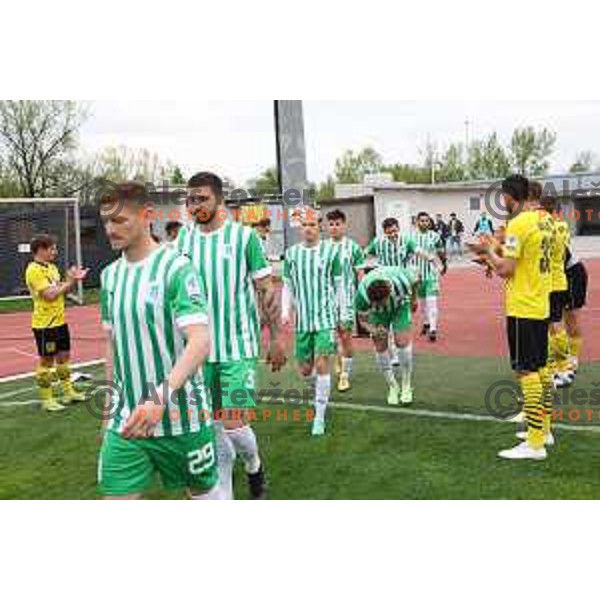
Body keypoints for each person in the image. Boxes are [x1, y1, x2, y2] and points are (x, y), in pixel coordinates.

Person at [97, 182, 220, 500]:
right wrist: (110, 409)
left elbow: (200, 341)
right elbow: (112, 344)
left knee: (204, 498)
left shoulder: (177, 268)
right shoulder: (109, 276)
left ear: (147, 215)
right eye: (106, 221)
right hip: (126, 422)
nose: (110, 229)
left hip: (183, 419)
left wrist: (160, 397)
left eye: (119, 220)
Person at [177, 172, 286, 500]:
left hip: (238, 347)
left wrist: (276, 338)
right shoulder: (183, 241)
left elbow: (266, 289)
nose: (195, 205)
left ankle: (254, 464)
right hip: (198, 351)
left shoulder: (244, 238)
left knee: (235, 424)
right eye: (191, 199)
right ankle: (224, 493)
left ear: (219, 200)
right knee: (210, 427)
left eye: (202, 198)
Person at [468, 174, 553, 461]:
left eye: (502, 197)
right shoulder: (544, 220)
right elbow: (525, 258)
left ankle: (535, 442)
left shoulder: (518, 223)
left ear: (508, 196)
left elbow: (507, 269)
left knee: (527, 371)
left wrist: (488, 250)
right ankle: (543, 429)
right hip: (540, 301)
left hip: (523, 305)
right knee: (540, 369)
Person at [282, 209, 344, 436]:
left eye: (311, 224)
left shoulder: (330, 251)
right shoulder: (291, 254)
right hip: (303, 321)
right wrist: (285, 312)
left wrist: (339, 312)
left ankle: (318, 417)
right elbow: (287, 285)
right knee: (306, 370)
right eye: (304, 225)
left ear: (319, 227)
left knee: (321, 364)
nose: (307, 228)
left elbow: (338, 285)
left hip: (325, 319)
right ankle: (321, 395)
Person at [25, 234, 89, 412]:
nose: (55, 251)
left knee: (64, 358)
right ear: (41, 250)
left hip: (60, 322)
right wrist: (70, 281)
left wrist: (72, 281)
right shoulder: (33, 270)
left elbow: (61, 289)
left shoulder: (52, 268)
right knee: (46, 362)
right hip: (45, 325)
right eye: (52, 248)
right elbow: (50, 295)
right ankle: (47, 399)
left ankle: (69, 392)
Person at [355, 266, 418, 406]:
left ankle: (406, 384)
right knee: (380, 344)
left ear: (389, 290)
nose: (381, 304)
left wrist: (414, 299)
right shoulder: (361, 295)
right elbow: (362, 320)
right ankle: (392, 386)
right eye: (377, 303)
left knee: (401, 342)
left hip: (400, 306)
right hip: (378, 314)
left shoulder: (402, 279)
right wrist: (373, 330)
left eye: (382, 301)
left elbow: (415, 281)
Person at [326, 209, 366, 392]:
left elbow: (360, 274)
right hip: (326, 300)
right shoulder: (322, 247)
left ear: (344, 225)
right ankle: (337, 358)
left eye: (337, 224)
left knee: (346, 336)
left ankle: (345, 375)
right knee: (331, 336)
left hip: (347, 300)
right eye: (331, 224)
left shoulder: (353, 247)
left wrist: (362, 296)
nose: (334, 227)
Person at [409, 212, 447, 342]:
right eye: (422, 221)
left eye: (427, 221)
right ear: (417, 222)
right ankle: (426, 322)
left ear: (429, 222)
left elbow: (441, 250)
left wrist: (444, 264)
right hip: (417, 275)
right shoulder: (410, 237)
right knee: (423, 303)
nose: (424, 223)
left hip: (431, 274)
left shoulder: (435, 236)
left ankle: (433, 329)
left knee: (432, 302)